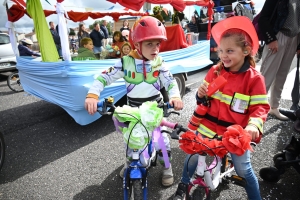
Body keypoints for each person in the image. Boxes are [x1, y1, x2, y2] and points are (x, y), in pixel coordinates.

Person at [173, 16, 270, 200]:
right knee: (192, 156)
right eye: (221, 50)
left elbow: (260, 107)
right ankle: (183, 183)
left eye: (230, 51)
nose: (224, 55)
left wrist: (254, 126)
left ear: (246, 51)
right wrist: (200, 95)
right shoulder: (215, 71)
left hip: (235, 135)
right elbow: (203, 102)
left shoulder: (254, 78)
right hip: (208, 126)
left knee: (243, 169)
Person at [84, 16, 183, 186]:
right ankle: (130, 163)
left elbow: (170, 81)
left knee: (162, 143)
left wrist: (175, 96)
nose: (156, 49)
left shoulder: (159, 62)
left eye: (158, 43)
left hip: (156, 109)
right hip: (134, 111)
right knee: (131, 142)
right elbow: (103, 77)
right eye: (150, 44)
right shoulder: (125, 62)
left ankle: (167, 168)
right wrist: (93, 95)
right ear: (137, 45)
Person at [258, 0, 300, 120]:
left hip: (295, 37)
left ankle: (274, 107)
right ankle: (256, 109)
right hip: (278, 35)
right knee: (266, 75)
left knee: (282, 75)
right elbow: (263, 18)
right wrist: (270, 39)